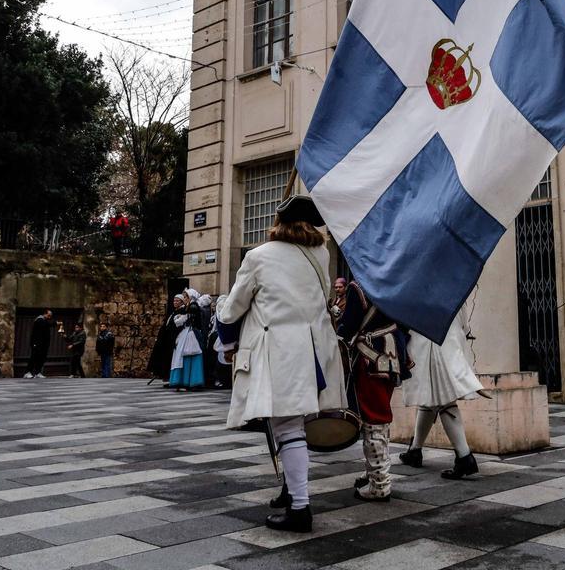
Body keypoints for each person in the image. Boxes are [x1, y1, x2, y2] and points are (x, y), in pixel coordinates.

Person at [217, 194, 345, 533]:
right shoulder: (322, 254)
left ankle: (300, 508)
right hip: (315, 351)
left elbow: (233, 309)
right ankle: (291, 491)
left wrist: (221, 313)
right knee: (292, 427)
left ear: (279, 222)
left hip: (281, 353)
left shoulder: (257, 256)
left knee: (288, 427)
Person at [333, 279, 411, 502]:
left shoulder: (359, 287)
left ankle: (379, 483)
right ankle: (374, 473)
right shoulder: (396, 283)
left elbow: (347, 328)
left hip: (370, 359)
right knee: (380, 419)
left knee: (374, 420)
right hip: (393, 356)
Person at [398, 301, 482, 480]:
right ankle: (415, 451)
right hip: (445, 339)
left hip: (433, 341)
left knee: (443, 400)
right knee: (430, 397)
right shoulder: (452, 280)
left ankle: (464, 456)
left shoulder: (425, 282)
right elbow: (463, 321)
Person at [168, 293, 206, 391]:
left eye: (185, 297)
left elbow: (180, 321)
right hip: (186, 334)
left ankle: (190, 381)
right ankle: (188, 381)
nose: (184, 299)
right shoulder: (189, 307)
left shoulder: (192, 306)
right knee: (185, 357)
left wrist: (181, 317)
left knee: (188, 356)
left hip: (190, 335)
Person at [24, 309, 53, 378]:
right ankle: (27, 372)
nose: (49, 317)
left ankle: (37, 372)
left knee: (41, 358)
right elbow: (46, 325)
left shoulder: (45, 321)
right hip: (36, 343)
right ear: (45, 314)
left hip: (43, 344)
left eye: (50, 316)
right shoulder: (39, 320)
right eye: (49, 315)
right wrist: (55, 323)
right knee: (34, 357)